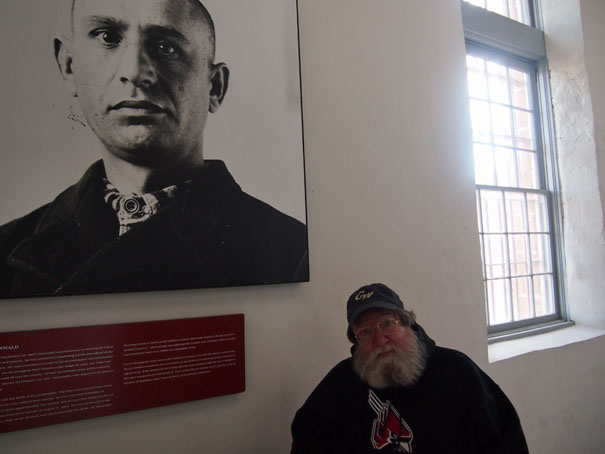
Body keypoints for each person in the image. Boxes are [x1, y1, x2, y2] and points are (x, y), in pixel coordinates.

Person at [0, 0, 308, 298]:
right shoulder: (7, 248)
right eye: (108, 38)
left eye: (165, 47)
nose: (135, 73)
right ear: (69, 66)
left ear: (214, 87)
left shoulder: (291, 251)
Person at [291, 283, 529, 453]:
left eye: (387, 324)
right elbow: (307, 435)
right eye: (366, 332)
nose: (380, 340)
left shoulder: (458, 373)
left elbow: (505, 440)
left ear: (408, 323)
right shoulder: (341, 383)